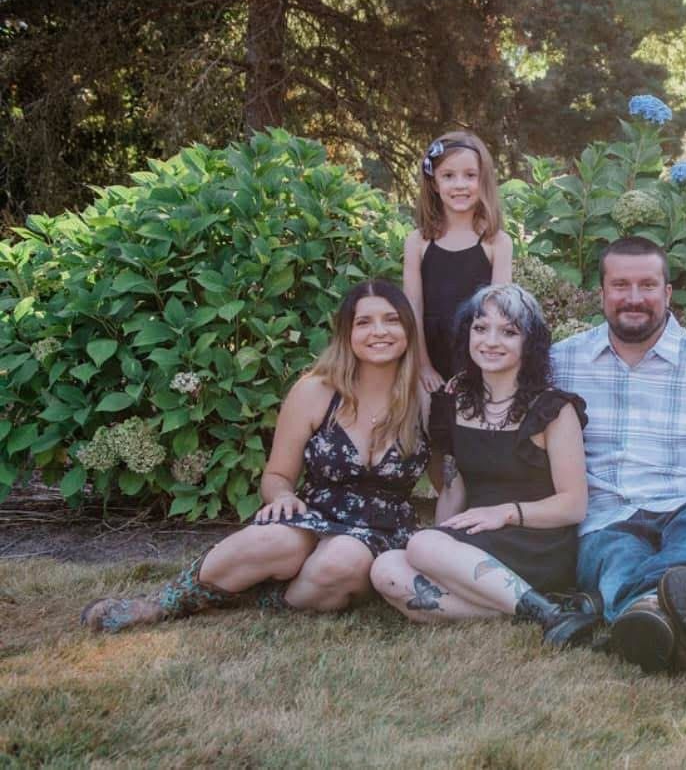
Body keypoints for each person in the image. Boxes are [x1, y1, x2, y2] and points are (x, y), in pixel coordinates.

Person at [81, 280, 431, 632]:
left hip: (380, 532)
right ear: (346, 332)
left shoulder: (425, 400)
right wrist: (282, 496)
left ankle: (262, 599)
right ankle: (163, 603)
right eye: (364, 322)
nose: (379, 331)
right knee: (273, 539)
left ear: (408, 330)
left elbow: (453, 480)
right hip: (316, 517)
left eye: (391, 320)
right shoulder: (315, 391)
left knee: (340, 561)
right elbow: (277, 476)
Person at [551, 236, 686, 675]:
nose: (633, 298)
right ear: (602, 293)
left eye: (647, 285)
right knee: (615, 565)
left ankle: (636, 617)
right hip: (606, 512)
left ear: (667, 293)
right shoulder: (561, 363)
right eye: (620, 285)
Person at [370, 284, 598, 648]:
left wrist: (504, 513)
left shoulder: (554, 409)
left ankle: (547, 609)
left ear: (530, 343)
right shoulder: (454, 402)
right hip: (479, 541)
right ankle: (550, 609)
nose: (491, 341)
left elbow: (574, 506)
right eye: (480, 328)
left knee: (421, 547)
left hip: (537, 540)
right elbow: (453, 487)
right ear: (467, 335)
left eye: (508, 331)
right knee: (387, 571)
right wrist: (441, 550)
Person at [403, 131, 513, 485]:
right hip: (429, 353)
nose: (460, 185)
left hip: (477, 353)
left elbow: (500, 311)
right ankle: (441, 499)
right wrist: (422, 365)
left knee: (471, 437)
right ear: (433, 183)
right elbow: (412, 307)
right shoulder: (419, 242)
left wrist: (474, 368)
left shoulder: (496, 242)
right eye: (448, 176)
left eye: (470, 175)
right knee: (436, 435)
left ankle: (469, 505)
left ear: (484, 181)